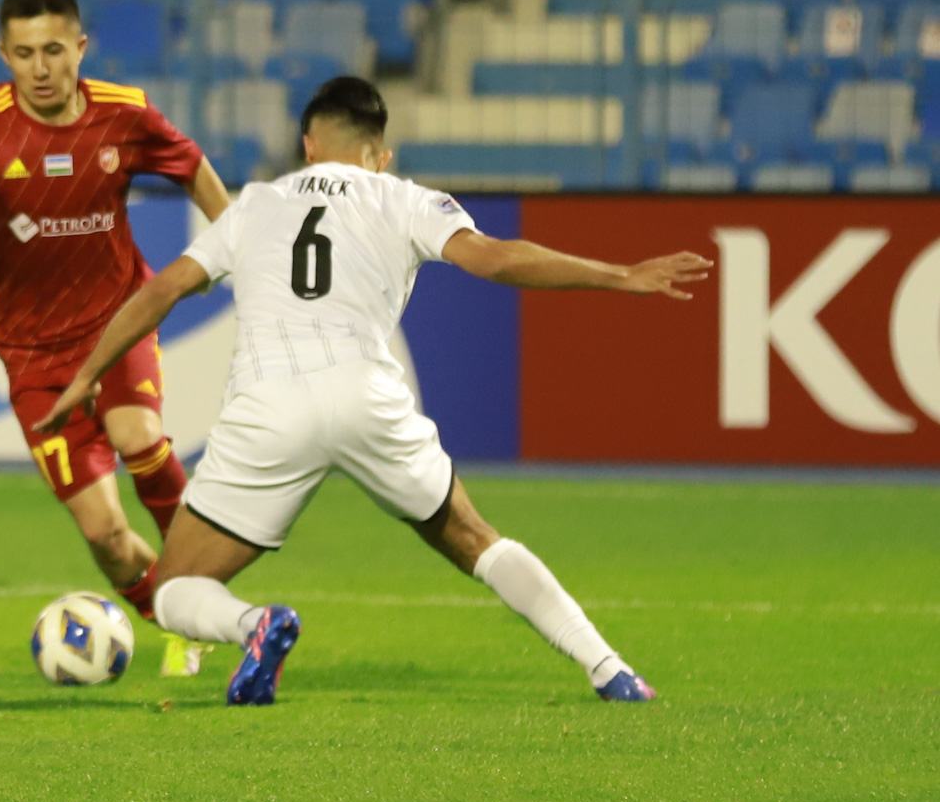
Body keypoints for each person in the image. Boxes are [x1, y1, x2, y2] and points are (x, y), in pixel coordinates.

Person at [36, 76, 713, 705]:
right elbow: (499, 259)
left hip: (268, 406)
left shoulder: (258, 204)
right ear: (379, 154)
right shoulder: (408, 199)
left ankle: (254, 625)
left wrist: (90, 372)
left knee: (178, 588)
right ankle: (611, 670)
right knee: (476, 537)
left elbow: (163, 289)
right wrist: (620, 274)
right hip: (366, 393)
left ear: (308, 145)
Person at [0, 0, 233, 675]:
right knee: (106, 535)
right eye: (22, 54)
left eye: (51, 50)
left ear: (79, 46)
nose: (39, 69)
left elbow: (193, 168)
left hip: (119, 319)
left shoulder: (124, 114)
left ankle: (200, 586)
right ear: (3, 54)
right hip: (32, 349)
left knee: (138, 435)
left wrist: (230, 246)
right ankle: (170, 616)